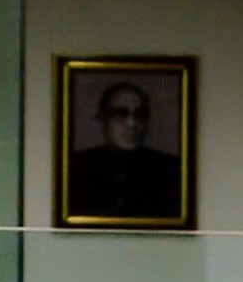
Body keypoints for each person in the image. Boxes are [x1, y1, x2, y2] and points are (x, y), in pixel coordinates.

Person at [67, 77, 182, 219]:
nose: (132, 124)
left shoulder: (170, 170)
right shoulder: (77, 167)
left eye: (140, 115)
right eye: (120, 114)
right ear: (103, 119)